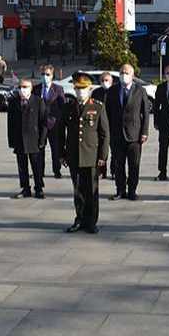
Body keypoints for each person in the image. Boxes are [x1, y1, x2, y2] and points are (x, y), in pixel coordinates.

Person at [60, 72, 109, 233]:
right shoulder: (69, 107)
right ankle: (79, 218)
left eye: (83, 89)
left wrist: (103, 156)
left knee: (92, 191)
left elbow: (104, 134)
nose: (80, 92)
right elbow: (62, 132)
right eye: (77, 89)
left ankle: (91, 221)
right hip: (74, 155)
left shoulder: (97, 106)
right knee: (78, 190)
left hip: (91, 155)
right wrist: (62, 153)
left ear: (89, 89)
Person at [105, 64, 149, 201]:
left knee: (134, 166)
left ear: (132, 75)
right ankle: (120, 190)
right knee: (118, 165)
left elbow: (145, 112)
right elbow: (107, 113)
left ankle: (132, 191)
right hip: (116, 135)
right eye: (122, 72)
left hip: (134, 135)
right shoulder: (112, 90)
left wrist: (144, 132)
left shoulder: (140, 90)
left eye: (127, 73)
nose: (124, 75)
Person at [7, 78, 48, 199]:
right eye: (20, 87)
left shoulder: (38, 101)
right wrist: (11, 141)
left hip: (34, 140)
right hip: (19, 140)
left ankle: (39, 188)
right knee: (22, 166)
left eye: (25, 87)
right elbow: (10, 123)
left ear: (31, 88)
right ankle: (25, 188)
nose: (22, 90)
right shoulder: (14, 102)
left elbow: (44, 122)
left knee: (36, 166)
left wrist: (42, 140)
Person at [34, 65, 67, 180]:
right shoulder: (36, 89)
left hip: (54, 124)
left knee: (56, 149)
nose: (45, 77)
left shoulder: (58, 89)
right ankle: (39, 171)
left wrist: (59, 121)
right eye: (43, 74)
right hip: (40, 124)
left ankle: (56, 170)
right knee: (40, 148)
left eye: (47, 74)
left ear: (52, 76)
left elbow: (62, 107)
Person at [94, 71, 115, 177]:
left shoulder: (115, 91)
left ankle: (114, 171)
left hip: (113, 123)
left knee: (114, 150)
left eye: (106, 80)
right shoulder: (96, 92)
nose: (104, 82)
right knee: (101, 148)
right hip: (99, 124)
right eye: (102, 80)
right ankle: (102, 171)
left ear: (111, 81)